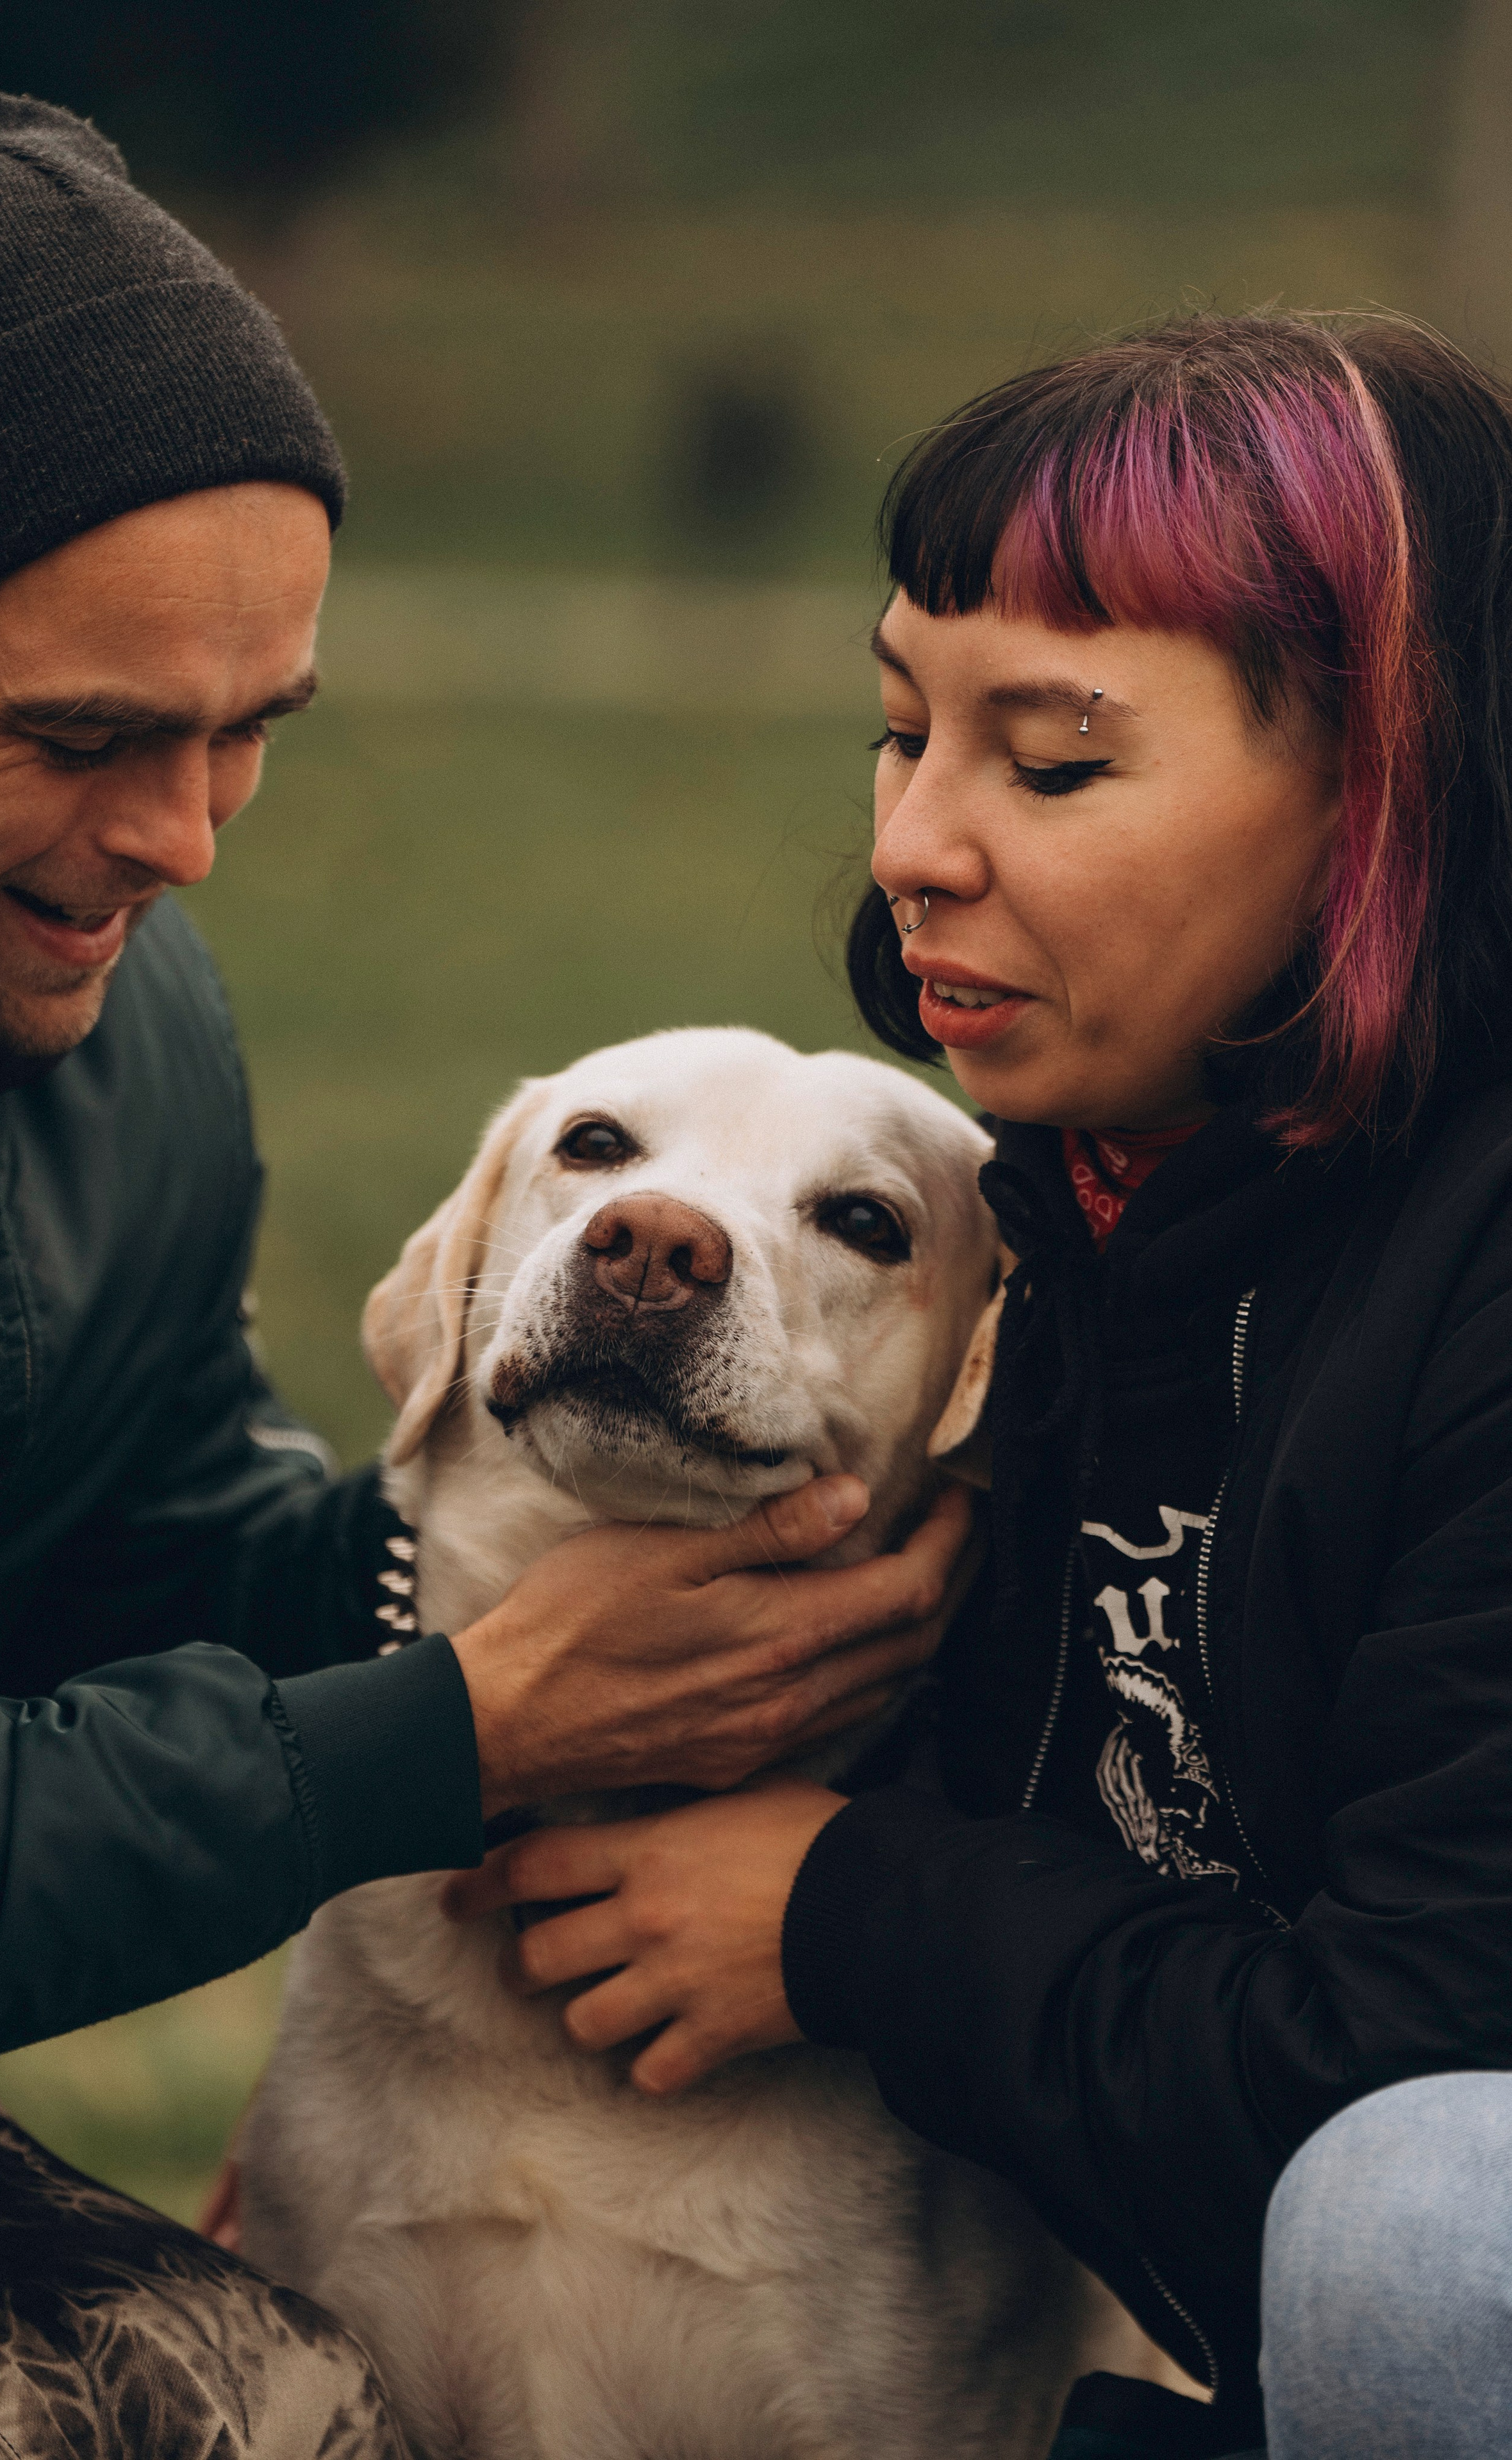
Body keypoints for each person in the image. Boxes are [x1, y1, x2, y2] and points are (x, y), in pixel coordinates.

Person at [0, 81, 967, 2452]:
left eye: (248, 733)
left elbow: (153, 1538)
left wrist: (605, 1617)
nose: (174, 844)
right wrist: (441, 1736)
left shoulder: (113, 1006)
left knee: (260, 2400)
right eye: (74, 736)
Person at [456, 310, 1512, 2460]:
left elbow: (1419, 2044)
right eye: (898, 732)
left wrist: (850, 1910)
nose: (917, 843)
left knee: (1431, 2227)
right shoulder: (1045, 1236)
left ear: (1381, 803)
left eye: (1049, 764)